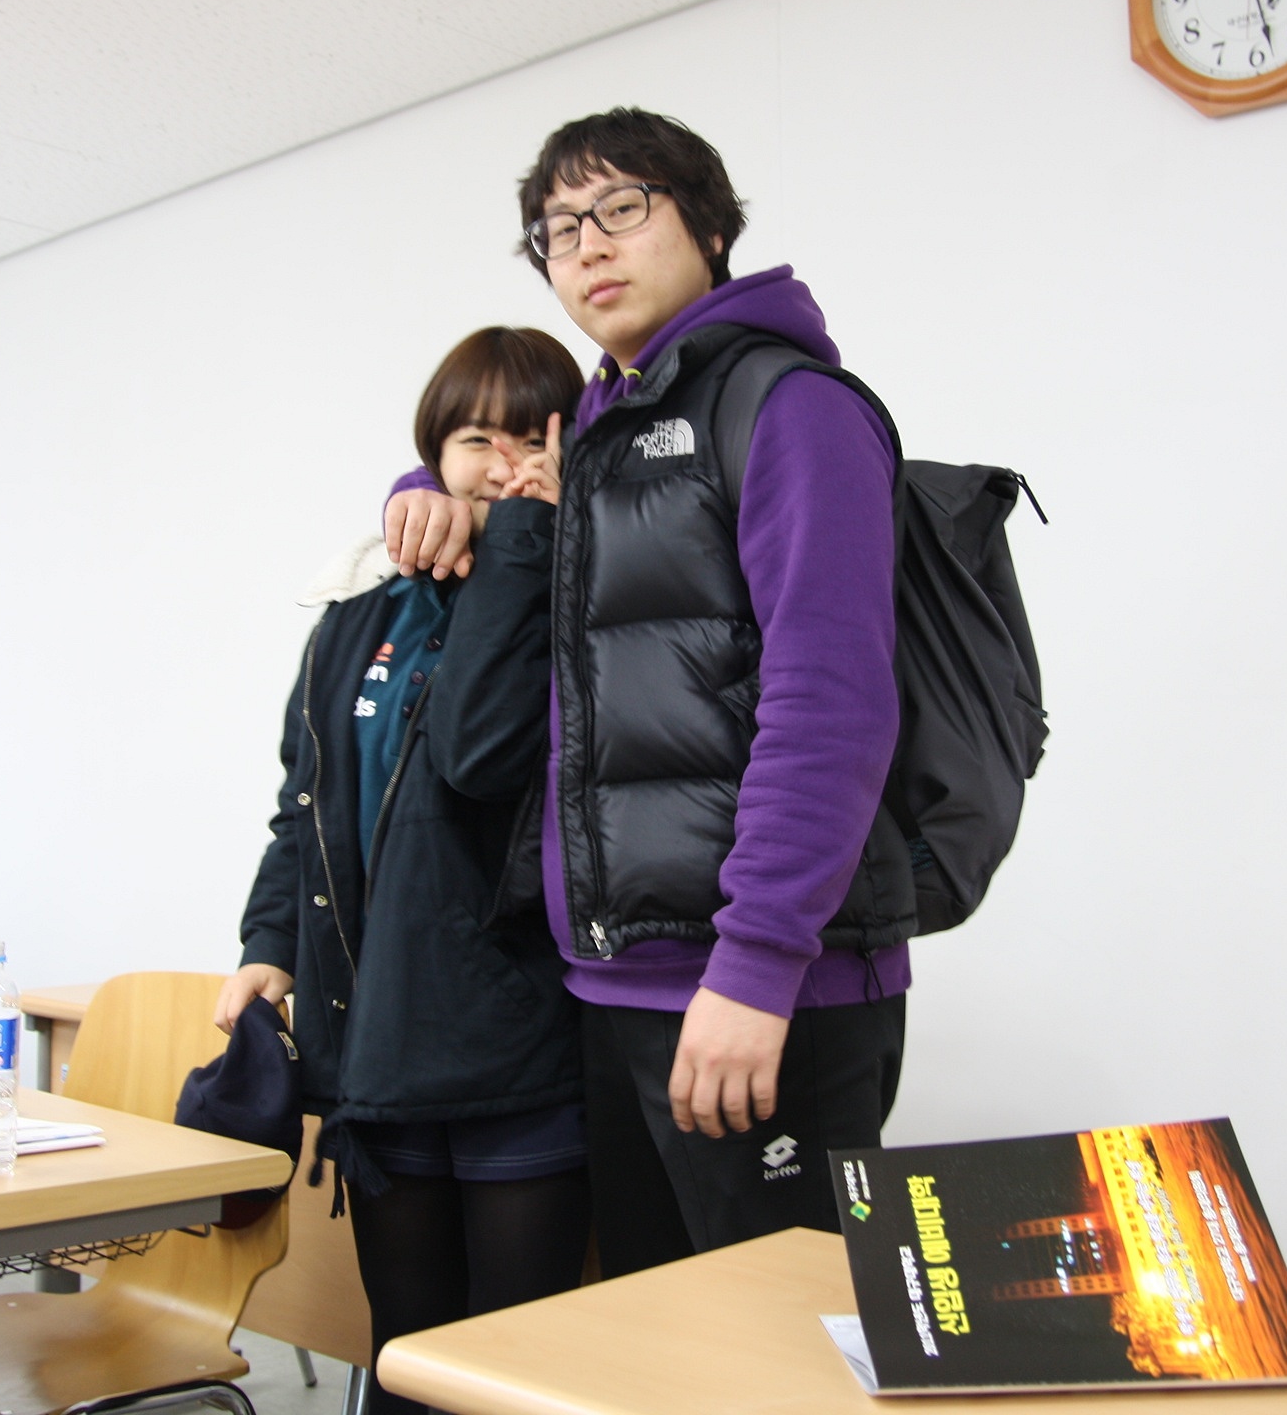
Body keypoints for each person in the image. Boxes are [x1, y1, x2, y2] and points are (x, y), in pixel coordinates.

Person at [383, 108, 907, 1276]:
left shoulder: (790, 406)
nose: (589, 244)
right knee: (647, 1338)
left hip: (760, 981)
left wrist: (757, 962)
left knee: (780, 1345)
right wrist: (425, 487)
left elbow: (832, 700)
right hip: (615, 983)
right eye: (559, 229)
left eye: (622, 207)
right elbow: (501, 455)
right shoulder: (608, 427)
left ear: (710, 227)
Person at [221, 327, 588, 1415]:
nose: (504, 462)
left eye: (532, 438)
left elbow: (482, 754)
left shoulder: (580, 593)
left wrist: (521, 540)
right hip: (375, 1037)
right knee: (405, 1357)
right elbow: (306, 803)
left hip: (515, 1040)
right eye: (476, 439)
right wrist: (268, 945)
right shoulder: (360, 609)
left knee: (512, 1370)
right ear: (433, 456)